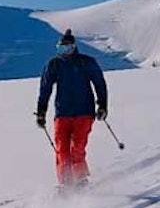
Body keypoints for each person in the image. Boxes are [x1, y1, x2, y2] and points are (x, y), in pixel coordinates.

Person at [35, 29, 109, 187]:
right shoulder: (54, 64)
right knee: (62, 151)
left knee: (77, 148)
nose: (64, 53)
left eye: (67, 49)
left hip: (84, 113)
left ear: (74, 47)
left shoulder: (86, 62)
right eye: (61, 49)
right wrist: (41, 111)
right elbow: (45, 88)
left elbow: (99, 83)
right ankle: (65, 184)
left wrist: (102, 105)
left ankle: (81, 180)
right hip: (62, 113)